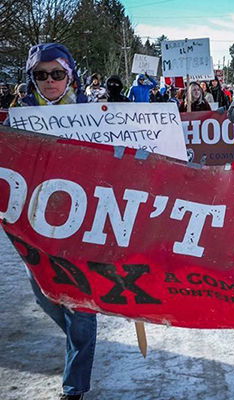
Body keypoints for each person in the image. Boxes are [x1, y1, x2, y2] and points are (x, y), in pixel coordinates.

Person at [12, 42, 97, 400]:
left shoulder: (96, 113)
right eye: (41, 75)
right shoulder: (16, 116)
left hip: (84, 220)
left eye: (57, 73)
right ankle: (82, 337)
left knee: (79, 306)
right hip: (35, 222)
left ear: (70, 75)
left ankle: (74, 386)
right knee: (45, 294)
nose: (50, 81)